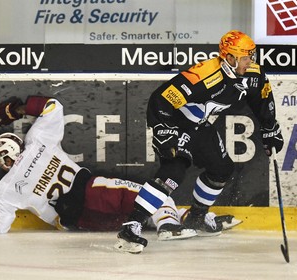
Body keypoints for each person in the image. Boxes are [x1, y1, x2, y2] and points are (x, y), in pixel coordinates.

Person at [0, 96, 240, 247]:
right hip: (91, 191)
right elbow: (53, 106)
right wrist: (17, 109)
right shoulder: (37, 141)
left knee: (133, 214)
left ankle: (187, 219)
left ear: (2, 161)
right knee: (152, 195)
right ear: (17, 143)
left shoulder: (5, 190)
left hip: (72, 222)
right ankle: (172, 224)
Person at [115, 30, 284, 253]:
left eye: (250, 56)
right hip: (175, 123)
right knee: (174, 171)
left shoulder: (253, 74)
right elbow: (161, 99)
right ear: (230, 58)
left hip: (199, 124)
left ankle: (196, 217)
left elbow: (262, 100)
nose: (249, 62)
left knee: (221, 168)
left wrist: (270, 129)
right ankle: (131, 226)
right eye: (245, 57)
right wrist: (163, 129)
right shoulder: (204, 75)